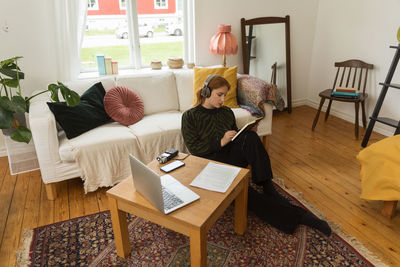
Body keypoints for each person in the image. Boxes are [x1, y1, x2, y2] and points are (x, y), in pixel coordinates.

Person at [181, 74, 331, 235]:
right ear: (206, 92)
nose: (223, 99)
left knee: (250, 137)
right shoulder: (190, 116)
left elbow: (234, 138)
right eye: (219, 94)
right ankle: (301, 216)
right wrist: (221, 142)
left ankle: (266, 185)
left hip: (230, 158)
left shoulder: (226, 112)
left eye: (225, 95)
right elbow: (194, 149)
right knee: (248, 196)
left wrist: (242, 133)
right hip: (210, 166)